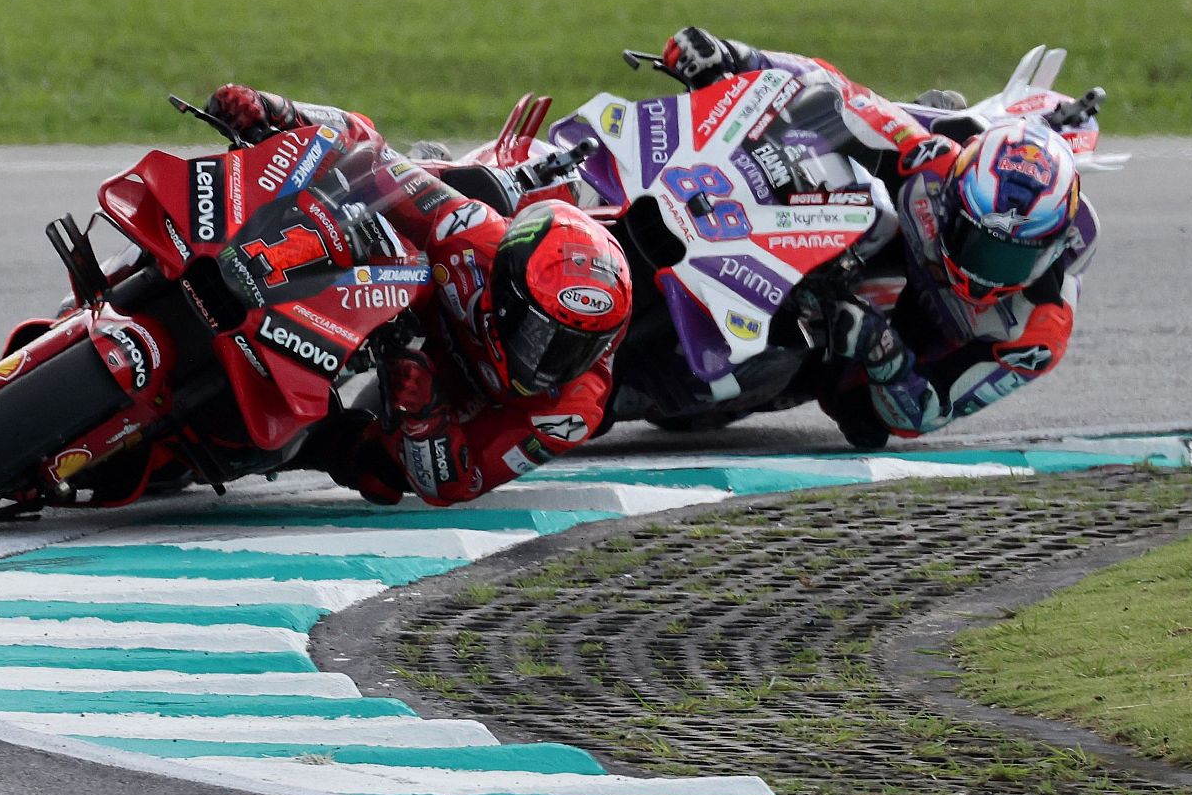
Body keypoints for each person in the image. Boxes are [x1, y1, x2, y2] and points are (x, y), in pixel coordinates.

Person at [660, 28, 1097, 448]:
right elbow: (837, 92)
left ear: (1052, 250)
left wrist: (881, 350)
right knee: (817, 134)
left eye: (1008, 259)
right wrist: (737, 57)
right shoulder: (935, 163)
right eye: (975, 241)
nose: (983, 273)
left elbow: (928, 412)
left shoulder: (1037, 332)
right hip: (864, 239)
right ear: (952, 202)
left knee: (864, 421)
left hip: (905, 345)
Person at [205, 85, 633, 505]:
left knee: (379, 475)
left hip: (438, 401)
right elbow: (371, 154)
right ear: (508, 292)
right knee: (333, 190)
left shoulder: (574, 410)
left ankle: (291, 441)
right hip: (382, 295)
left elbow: (461, 482)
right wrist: (278, 111)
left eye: (574, 349)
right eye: (541, 335)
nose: (549, 360)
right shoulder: (470, 234)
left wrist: (425, 419)